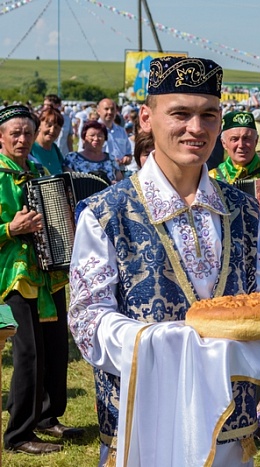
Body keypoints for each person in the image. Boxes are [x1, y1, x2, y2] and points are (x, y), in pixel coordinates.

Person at [67, 56, 260, 466]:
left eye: (208, 115)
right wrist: (168, 344)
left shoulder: (246, 210)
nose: (196, 128)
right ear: (148, 118)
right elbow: (87, 320)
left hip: (229, 419)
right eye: (181, 114)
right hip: (144, 423)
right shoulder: (104, 212)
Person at [0, 105, 84, 456]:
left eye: (27, 133)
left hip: (49, 272)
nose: (22, 138)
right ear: (0, 137)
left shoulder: (40, 169)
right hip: (14, 275)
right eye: (14, 133)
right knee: (29, 353)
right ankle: (18, 434)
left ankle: (48, 416)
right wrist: (9, 228)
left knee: (54, 348)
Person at [97, 98, 133, 175]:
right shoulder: (92, 131)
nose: (110, 112)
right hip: (100, 173)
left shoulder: (121, 131)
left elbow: (129, 154)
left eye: (112, 109)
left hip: (120, 173)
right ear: (99, 111)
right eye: (106, 109)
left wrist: (126, 159)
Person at [31, 105, 66, 175]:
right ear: (39, 125)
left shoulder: (55, 148)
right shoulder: (30, 147)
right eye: (49, 125)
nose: (52, 131)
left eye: (56, 128)